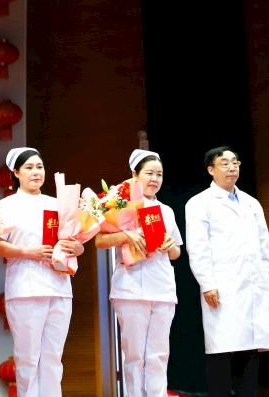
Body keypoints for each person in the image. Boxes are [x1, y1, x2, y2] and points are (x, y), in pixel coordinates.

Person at [0, 147, 84, 397]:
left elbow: (74, 242)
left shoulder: (59, 204)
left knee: (53, 357)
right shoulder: (5, 205)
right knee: (28, 358)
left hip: (59, 287)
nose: (36, 172)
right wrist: (26, 251)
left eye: (39, 167)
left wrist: (78, 247)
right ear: (15, 172)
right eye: (29, 167)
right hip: (25, 288)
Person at [185, 146, 269, 397]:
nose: (232, 167)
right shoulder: (199, 203)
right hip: (222, 286)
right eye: (224, 163)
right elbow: (198, 248)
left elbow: (263, 247)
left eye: (235, 162)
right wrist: (207, 283)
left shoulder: (251, 202)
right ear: (211, 170)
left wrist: (263, 279)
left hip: (253, 286)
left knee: (251, 351)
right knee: (221, 352)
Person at [95, 149, 182, 397]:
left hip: (162, 288)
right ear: (134, 175)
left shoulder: (166, 210)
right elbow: (99, 241)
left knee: (158, 354)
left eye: (159, 174)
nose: (155, 179)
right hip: (130, 287)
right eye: (149, 173)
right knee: (134, 355)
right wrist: (126, 236)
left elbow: (176, 252)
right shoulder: (119, 205)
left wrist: (170, 245)